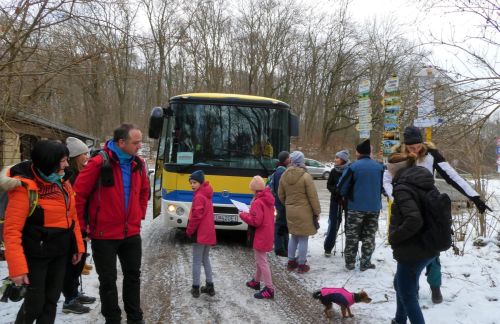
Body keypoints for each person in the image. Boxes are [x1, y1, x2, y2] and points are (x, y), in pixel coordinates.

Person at [383, 126, 491, 303]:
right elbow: (386, 179)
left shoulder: (431, 155)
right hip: (407, 208)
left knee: (432, 250)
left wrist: (475, 197)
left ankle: (435, 288)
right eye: (410, 146)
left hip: (429, 208)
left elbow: (452, 176)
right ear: (404, 144)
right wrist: (396, 198)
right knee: (407, 250)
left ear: (422, 143)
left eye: (417, 145)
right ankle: (411, 289)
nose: (414, 149)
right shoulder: (398, 156)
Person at [74, 124, 150, 324]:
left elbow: (144, 192)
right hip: (103, 235)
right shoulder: (99, 162)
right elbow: (79, 196)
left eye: (140, 141)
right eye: (136, 142)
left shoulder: (139, 164)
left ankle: (135, 318)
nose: (140, 146)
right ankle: (112, 318)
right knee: (108, 281)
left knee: (133, 277)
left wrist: (138, 213)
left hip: (131, 234)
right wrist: (82, 227)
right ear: (121, 142)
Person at [3, 140, 85, 323]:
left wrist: (78, 246)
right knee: (34, 305)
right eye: (62, 161)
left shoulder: (63, 182)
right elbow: (11, 231)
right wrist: (17, 269)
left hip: (60, 253)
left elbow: (73, 218)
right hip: (35, 257)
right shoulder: (25, 188)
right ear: (49, 162)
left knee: (51, 302)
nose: (66, 164)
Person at [387, 152, 439, 324]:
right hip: (429, 246)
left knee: (408, 295)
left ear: (394, 170)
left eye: (389, 170)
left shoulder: (403, 188)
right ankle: (399, 320)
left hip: (413, 250)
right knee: (401, 284)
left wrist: (395, 237)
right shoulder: (423, 181)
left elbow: (414, 219)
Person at [61, 137, 97, 314]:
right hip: (72, 228)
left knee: (79, 261)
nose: (87, 157)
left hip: (82, 226)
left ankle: (74, 292)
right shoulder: (71, 178)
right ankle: (69, 300)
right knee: (72, 263)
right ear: (75, 157)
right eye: (84, 154)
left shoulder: (82, 173)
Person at [337, 139, 383, 271]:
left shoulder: (353, 167)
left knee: (352, 236)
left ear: (358, 152)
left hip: (355, 207)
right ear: (370, 152)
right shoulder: (379, 167)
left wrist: (344, 196)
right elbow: (384, 187)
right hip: (374, 208)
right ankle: (365, 262)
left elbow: (341, 187)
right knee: (369, 236)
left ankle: (350, 263)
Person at [278, 151, 321, 273]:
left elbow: (280, 195)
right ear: (301, 161)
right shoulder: (306, 176)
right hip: (305, 211)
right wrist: (317, 212)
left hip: (290, 210)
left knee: (294, 236)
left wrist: (288, 204)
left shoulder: (284, 175)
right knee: (303, 238)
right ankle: (302, 264)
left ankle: (291, 261)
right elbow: (313, 196)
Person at [240, 176, 275, 299]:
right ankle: (256, 281)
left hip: (260, 234)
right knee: (260, 259)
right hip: (267, 232)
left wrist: (243, 215)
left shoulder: (257, 202)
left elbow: (256, 221)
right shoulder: (267, 199)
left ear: (254, 190)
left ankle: (269, 289)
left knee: (262, 261)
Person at [185, 170, 216, 298]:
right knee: (205, 259)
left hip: (200, 233)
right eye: (191, 183)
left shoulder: (198, 197)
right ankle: (210, 286)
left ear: (201, 182)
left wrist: (189, 230)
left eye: (195, 182)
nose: (192, 185)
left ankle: (195, 287)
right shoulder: (207, 195)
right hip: (208, 232)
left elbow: (196, 217)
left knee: (197, 261)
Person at [324, 149, 350, 257]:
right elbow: (329, 185)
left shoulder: (350, 170)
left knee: (349, 224)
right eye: (335, 157)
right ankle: (328, 248)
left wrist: (345, 193)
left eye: (337, 158)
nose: (335, 160)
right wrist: (335, 191)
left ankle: (349, 249)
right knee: (334, 223)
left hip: (347, 201)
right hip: (335, 200)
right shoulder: (334, 171)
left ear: (343, 160)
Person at [270, 151, 291, 257]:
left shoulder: (281, 170)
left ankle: (285, 247)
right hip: (281, 203)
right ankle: (279, 248)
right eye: (289, 157)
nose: (290, 158)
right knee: (280, 225)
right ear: (285, 159)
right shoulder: (281, 172)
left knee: (283, 225)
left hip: (281, 203)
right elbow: (281, 190)